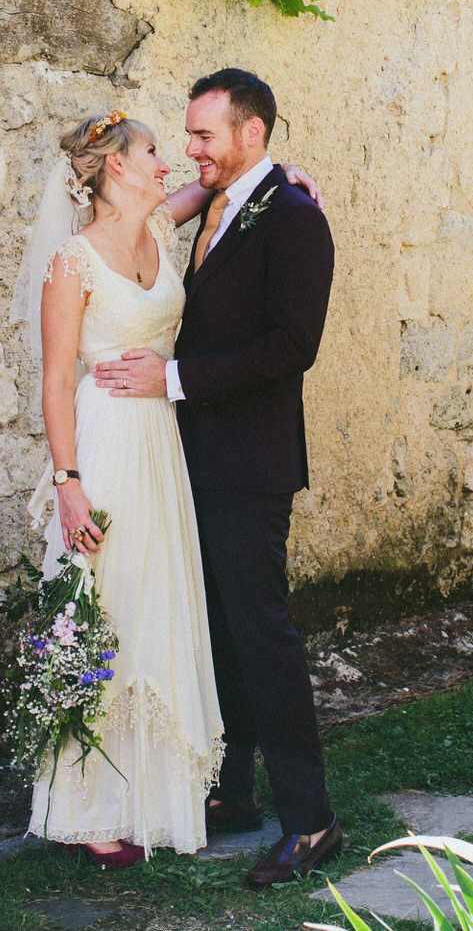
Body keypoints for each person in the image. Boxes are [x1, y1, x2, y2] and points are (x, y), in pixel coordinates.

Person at [11, 103, 328, 873]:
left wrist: (279, 176)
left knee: (160, 608)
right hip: (106, 444)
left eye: (181, 146)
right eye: (156, 149)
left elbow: (228, 190)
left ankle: (160, 791)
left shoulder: (158, 227)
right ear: (116, 164)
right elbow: (55, 382)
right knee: (105, 605)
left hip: (165, 448)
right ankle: (90, 806)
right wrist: (68, 482)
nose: (172, 162)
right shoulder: (71, 262)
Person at [90, 69, 344, 888]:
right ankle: (231, 792)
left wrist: (171, 379)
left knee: (263, 634)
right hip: (191, 460)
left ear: (252, 133)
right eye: (187, 135)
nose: (191, 148)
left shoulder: (296, 219)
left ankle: (311, 822)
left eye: (204, 135)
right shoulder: (229, 203)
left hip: (251, 464)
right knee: (221, 633)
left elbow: (289, 348)